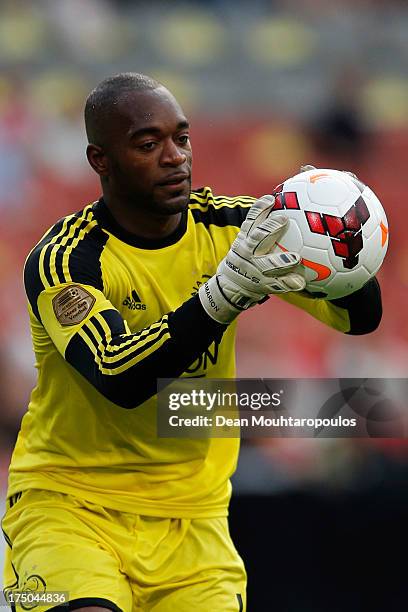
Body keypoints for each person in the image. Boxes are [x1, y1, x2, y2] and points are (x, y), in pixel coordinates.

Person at [2, 73, 382, 612]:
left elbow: (359, 320)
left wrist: (348, 244)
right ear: (100, 160)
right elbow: (120, 377)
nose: (175, 157)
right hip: (69, 508)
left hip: (193, 523)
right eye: (148, 144)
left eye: (181, 138)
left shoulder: (233, 227)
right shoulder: (65, 259)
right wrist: (222, 295)